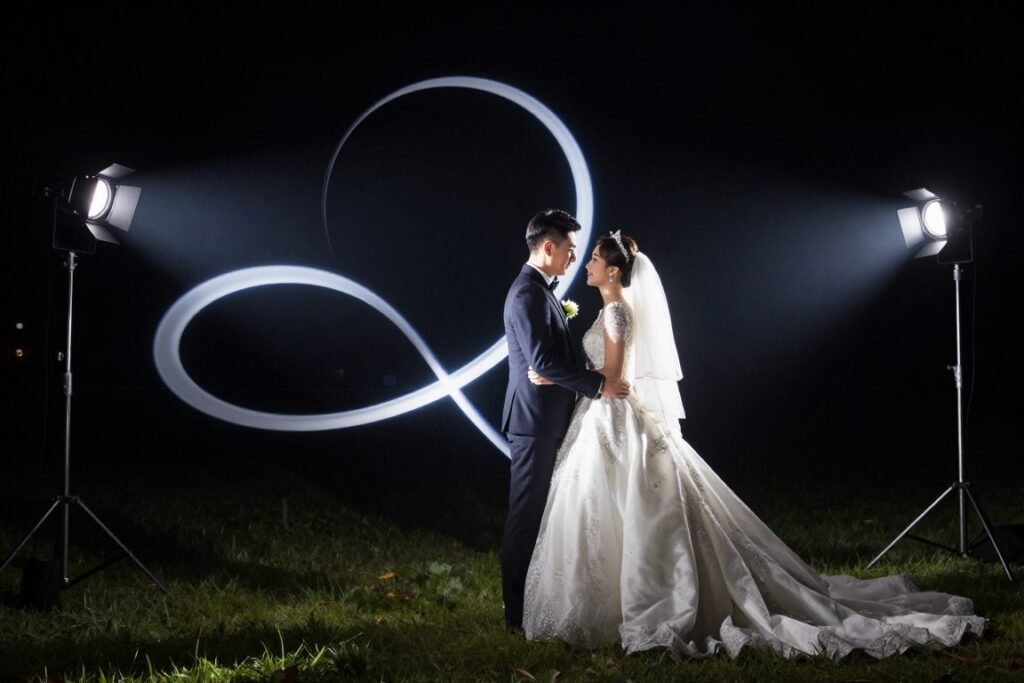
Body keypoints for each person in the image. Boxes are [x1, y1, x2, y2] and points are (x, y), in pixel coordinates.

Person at [522, 231, 986, 658]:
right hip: (605, 417)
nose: (586, 266)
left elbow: (616, 379)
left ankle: (634, 601)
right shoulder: (613, 309)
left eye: (596, 260)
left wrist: (564, 376)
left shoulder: (617, 310)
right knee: (608, 508)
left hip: (614, 418)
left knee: (619, 508)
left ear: (616, 271)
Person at [500, 210, 631, 631]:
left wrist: (560, 369)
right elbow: (539, 359)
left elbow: (550, 358)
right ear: (549, 247)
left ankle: (535, 603)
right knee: (525, 517)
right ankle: (516, 615)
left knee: (539, 515)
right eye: (572, 250)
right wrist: (595, 384)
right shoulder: (527, 294)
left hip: (547, 417)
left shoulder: (542, 291)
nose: (575, 258)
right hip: (533, 423)